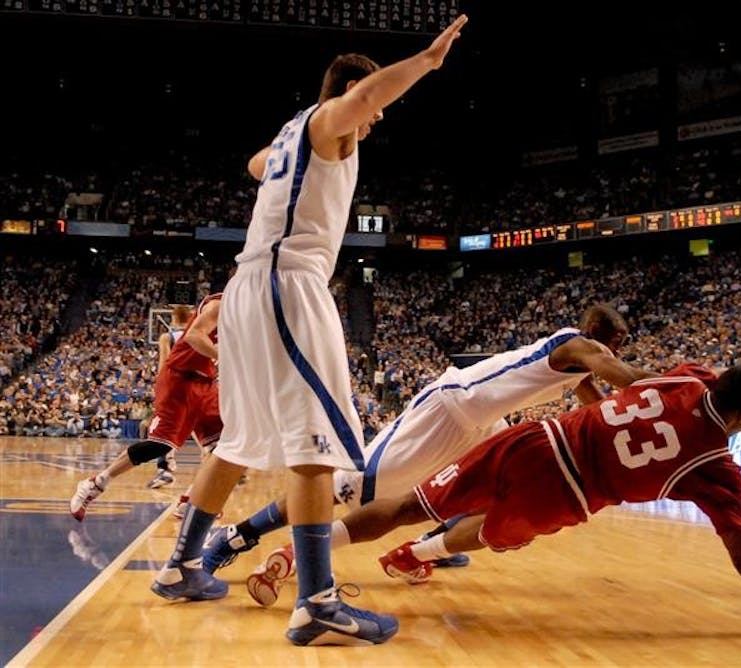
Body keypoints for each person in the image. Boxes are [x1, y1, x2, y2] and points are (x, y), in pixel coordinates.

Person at [150, 15, 469, 650]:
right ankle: (318, 604)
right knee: (316, 447)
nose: (376, 117)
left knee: (236, 442)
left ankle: (181, 566)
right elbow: (364, 98)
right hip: (286, 285)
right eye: (368, 104)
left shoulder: (294, 133)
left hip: (248, 288)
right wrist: (428, 62)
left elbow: (256, 163)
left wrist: (283, 160)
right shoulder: (329, 122)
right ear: (349, 92)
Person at [310, 364, 741, 640]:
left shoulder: (690, 378)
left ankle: (306, 550)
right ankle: (417, 554)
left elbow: (725, 382)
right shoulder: (714, 466)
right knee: (487, 533)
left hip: (539, 438)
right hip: (564, 492)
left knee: (410, 503)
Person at [202, 305, 654, 606]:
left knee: (500, 491)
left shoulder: (577, 362)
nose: (620, 348)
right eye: (619, 340)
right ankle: (239, 535)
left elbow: (599, 404)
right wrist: (681, 385)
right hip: (452, 406)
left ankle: (424, 550)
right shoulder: (582, 346)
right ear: (599, 334)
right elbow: (625, 378)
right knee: (350, 488)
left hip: (482, 423)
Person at [69, 295, 222, 521]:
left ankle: (192, 500)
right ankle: (96, 483)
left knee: (223, 445)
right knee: (159, 445)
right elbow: (194, 336)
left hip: (206, 383)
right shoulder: (219, 305)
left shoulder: (252, 318)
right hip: (179, 379)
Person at [147, 304, 193, 489]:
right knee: (200, 430)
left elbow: (164, 365)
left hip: (175, 386)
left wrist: (160, 388)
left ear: (173, 318)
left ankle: (164, 470)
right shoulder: (198, 335)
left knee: (164, 429)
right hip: (198, 386)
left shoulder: (168, 337)